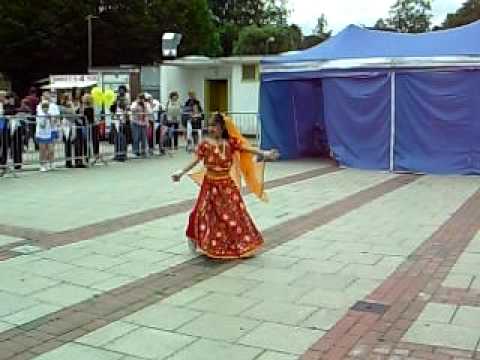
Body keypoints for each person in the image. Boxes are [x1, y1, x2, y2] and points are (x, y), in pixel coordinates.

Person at [171, 113, 279, 259]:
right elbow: (196, 160)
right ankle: (195, 238)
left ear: (222, 128)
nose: (211, 128)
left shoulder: (231, 143)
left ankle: (240, 243)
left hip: (226, 186)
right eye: (209, 125)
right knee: (200, 213)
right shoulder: (205, 144)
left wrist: (265, 153)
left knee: (234, 215)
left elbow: (247, 148)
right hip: (209, 186)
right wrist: (181, 172)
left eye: (214, 126)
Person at [36, 101, 54, 172]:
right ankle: (42, 165)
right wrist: (45, 118)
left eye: (47, 107)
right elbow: (42, 125)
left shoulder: (49, 114)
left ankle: (47, 163)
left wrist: (50, 118)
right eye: (44, 107)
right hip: (41, 134)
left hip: (48, 134)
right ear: (42, 108)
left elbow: (52, 124)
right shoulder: (39, 114)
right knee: (42, 150)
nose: (46, 109)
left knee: (50, 149)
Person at [59, 94, 76, 168]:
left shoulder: (65, 106)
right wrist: (72, 107)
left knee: (69, 144)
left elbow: (73, 114)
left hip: (69, 125)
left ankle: (69, 161)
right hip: (66, 125)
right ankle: (68, 162)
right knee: (67, 144)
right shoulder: (63, 107)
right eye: (69, 98)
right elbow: (71, 113)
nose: (70, 100)